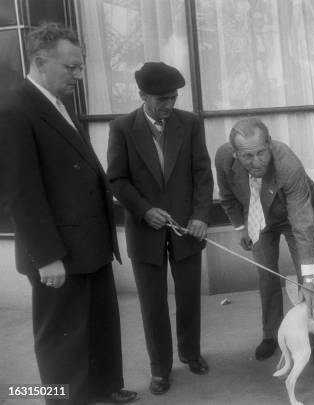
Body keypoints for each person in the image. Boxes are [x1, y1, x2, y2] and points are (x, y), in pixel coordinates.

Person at [0, 23, 137, 404]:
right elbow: (20, 193)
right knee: (61, 339)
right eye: (71, 68)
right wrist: (46, 257)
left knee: (99, 326)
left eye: (80, 67)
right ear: (41, 62)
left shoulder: (57, 103)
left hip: (88, 243)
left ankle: (104, 387)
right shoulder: (15, 109)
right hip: (57, 252)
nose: (79, 75)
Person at [107, 62, 214, 395]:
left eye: (174, 98)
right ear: (142, 95)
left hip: (187, 229)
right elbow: (117, 179)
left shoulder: (191, 124)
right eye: (162, 99)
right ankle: (160, 369)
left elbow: (202, 173)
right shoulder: (122, 127)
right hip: (145, 231)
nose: (169, 105)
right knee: (152, 304)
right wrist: (143, 210)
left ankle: (191, 354)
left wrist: (200, 215)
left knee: (188, 299)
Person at [215, 118, 314, 368]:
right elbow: (227, 197)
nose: (255, 162)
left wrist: (310, 279)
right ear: (235, 154)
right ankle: (272, 334)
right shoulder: (224, 158)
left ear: (269, 144)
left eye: (260, 153)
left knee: (307, 276)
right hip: (257, 217)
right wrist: (240, 226)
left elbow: (303, 223)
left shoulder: (287, 163)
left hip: (294, 216)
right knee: (266, 275)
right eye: (247, 156)